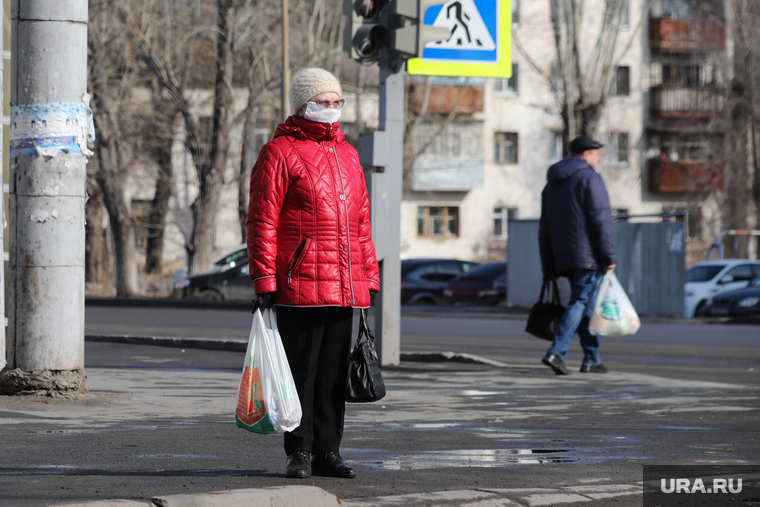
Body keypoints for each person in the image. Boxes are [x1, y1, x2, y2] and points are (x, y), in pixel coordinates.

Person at [246, 68, 381, 479]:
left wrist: (369, 277)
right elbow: (261, 221)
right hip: (299, 283)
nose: (332, 109)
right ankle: (299, 452)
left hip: (344, 284)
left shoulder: (348, 155)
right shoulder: (279, 152)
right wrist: (265, 281)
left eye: (337, 102)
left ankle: (329, 452)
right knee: (301, 373)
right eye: (324, 102)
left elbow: (360, 223)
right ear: (302, 104)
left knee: (332, 376)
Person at [538, 136, 616, 375]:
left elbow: (545, 227)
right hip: (588, 256)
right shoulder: (590, 178)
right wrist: (608, 256)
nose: (599, 158)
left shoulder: (551, 185)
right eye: (596, 154)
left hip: (565, 256)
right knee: (580, 302)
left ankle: (591, 358)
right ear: (586, 155)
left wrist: (549, 266)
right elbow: (600, 220)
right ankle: (556, 352)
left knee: (586, 304)